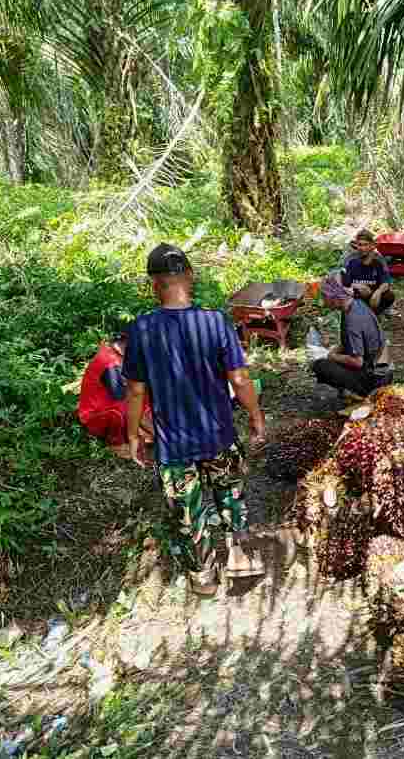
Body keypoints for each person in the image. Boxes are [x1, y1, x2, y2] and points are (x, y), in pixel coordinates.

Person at [122, 243, 267, 598]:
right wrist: (256, 416)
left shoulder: (142, 330)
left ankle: (204, 577)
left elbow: (136, 391)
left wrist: (134, 435)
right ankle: (242, 558)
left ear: (154, 284)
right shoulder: (215, 321)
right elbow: (239, 379)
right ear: (190, 276)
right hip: (218, 434)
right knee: (231, 496)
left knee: (188, 512)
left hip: (174, 446)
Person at [311, 274, 392, 400]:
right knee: (332, 358)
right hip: (379, 366)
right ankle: (352, 388)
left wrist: (332, 356)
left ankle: (361, 393)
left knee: (320, 365)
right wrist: (334, 351)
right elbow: (350, 342)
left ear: (335, 297)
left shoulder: (351, 320)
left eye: (325, 297)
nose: (323, 301)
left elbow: (357, 362)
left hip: (375, 378)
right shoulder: (355, 303)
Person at [77, 332, 153, 461]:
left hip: (116, 402)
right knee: (120, 411)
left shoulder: (124, 356)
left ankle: (143, 433)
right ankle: (117, 445)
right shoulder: (110, 362)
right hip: (96, 414)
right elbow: (126, 401)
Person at [341, 228, 395, 316]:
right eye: (360, 245)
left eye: (366, 245)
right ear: (356, 245)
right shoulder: (350, 259)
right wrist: (356, 286)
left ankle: (374, 314)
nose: (362, 248)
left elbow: (386, 281)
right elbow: (340, 280)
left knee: (389, 296)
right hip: (355, 292)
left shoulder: (379, 259)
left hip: (372, 293)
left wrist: (378, 292)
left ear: (372, 246)